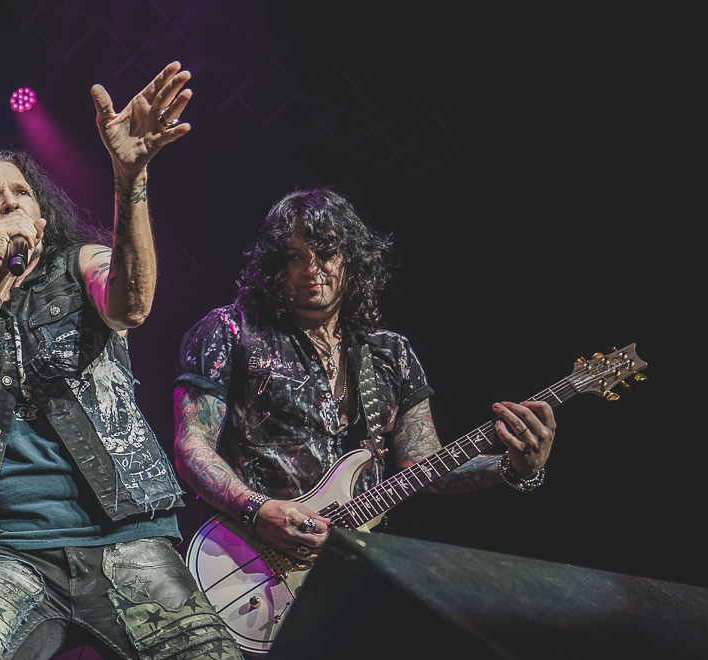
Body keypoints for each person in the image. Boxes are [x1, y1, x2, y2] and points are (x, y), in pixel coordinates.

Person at [0, 63, 251, 660]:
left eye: (18, 195)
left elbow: (132, 301)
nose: (7, 206)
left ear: (41, 214)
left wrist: (130, 182)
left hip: (128, 542)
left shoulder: (84, 261)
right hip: (10, 554)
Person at [174, 188, 556, 565]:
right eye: (294, 256)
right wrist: (257, 509)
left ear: (351, 259)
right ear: (276, 268)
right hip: (248, 560)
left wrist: (514, 467)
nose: (311, 270)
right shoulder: (230, 331)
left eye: (326, 253)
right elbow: (192, 446)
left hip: (353, 563)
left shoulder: (392, 354)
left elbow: (426, 466)